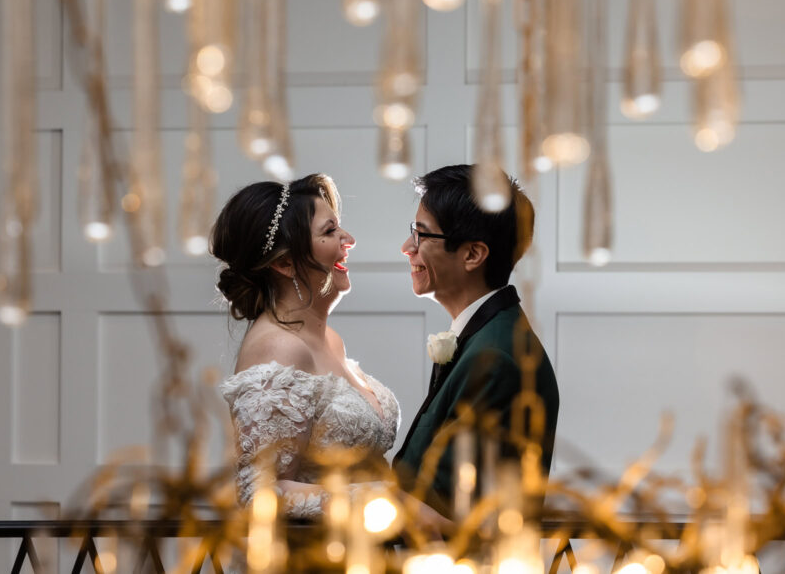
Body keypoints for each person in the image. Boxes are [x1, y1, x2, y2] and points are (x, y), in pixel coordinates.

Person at [213, 173, 403, 518]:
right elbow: (260, 493)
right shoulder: (277, 349)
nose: (349, 239)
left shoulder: (330, 340)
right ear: (284, 263)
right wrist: (381, 502)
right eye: (330, 232)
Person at [392, 164, 560, 517]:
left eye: (422, 235)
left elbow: (441, 502)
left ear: (472, 254)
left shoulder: (494, 358)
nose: (408, 247)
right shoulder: (486, 335)